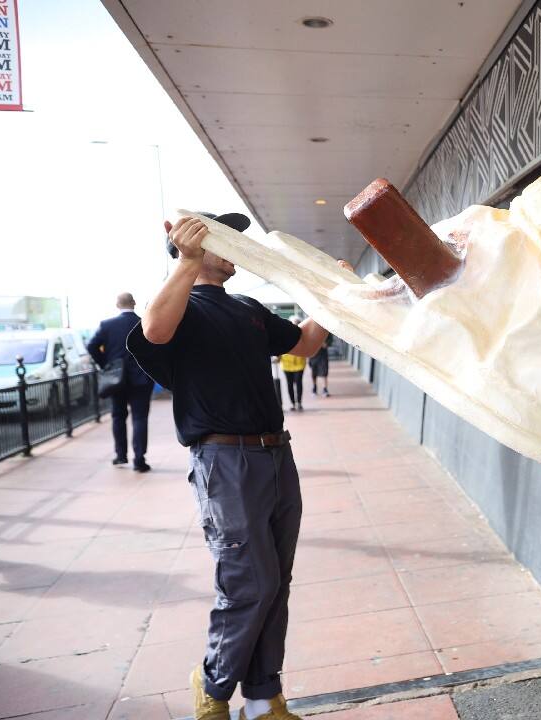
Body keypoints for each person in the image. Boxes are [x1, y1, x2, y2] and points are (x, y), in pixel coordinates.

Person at [127, 212, 348, 720]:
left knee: (277, 581)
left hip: (276, 455)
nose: (235, 249)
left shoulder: (248, 308)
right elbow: (155, 330)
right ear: (194, 249)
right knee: (251, 580)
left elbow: (307, 343)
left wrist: (332, 296)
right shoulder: (178, 307)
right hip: (226, 460)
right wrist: (186, 262)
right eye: (223, 240)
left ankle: (264, 698)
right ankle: (212, 684)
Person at [87, 292, 155, 472]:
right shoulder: (144, 322)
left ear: (117, 305)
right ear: (134, 303)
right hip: (141, 379)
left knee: (118, 417)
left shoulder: (107, 325)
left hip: (116, 379)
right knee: (140, 418)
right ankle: (139, 460)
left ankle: (120, 455)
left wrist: (106, 365)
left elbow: (91, 346)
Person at [278, 321, 306, 411]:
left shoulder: (302, 334)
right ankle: (293, 403)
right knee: (289, 384)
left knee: (298, 382)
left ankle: (299, 402)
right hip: (286, 364)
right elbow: (278, 347)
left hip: (299, 363)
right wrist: (278, 357)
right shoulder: (282, 334)